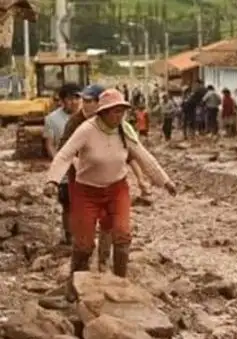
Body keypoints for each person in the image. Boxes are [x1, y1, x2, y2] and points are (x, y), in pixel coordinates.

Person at [44, 89, 176, 294]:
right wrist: (52, 180)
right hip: (86, 191)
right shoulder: (86, 129)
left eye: (122, 111)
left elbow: (143, 156)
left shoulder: (124, 130)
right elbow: (64, 155)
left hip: (117, 189)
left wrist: (164, 181)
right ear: (103, 112)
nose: (119, 116)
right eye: (114, 112)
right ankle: (74, 286)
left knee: (122, 234)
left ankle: (120, 283)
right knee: (84, 244)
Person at [59, 84, 151, 272]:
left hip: (111, 184)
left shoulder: (119, 128)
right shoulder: (77, 124)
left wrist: (142, 179)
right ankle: (79, 274)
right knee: (82, 228)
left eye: (89, 101)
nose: (84, 105)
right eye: (83, 101)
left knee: (112, 224)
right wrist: (67, 170)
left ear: (100, 104)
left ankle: (105, 263)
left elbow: (132, 154)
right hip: (81, 183)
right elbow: (65, 152)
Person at [43, 83, 81, 245]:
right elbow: (50, 143)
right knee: (67, 203)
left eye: (76, 98)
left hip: (84, 167)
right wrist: (58, 161)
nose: (73, 102)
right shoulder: (52, 119)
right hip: (65, 169)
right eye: (69, 98)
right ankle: (69, 236)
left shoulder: (87, 117)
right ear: (62, 100)